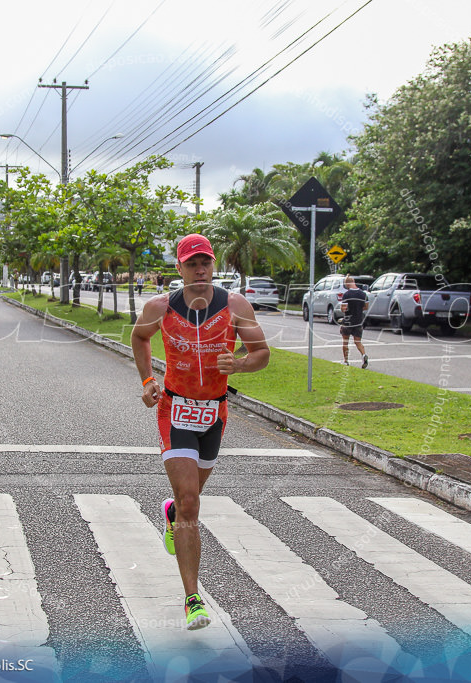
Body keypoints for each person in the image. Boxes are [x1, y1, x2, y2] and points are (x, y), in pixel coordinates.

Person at [131, 234, 269, 631]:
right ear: (179, 269)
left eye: (205, 261)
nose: (200, 269)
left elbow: (261, 353)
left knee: (189, 498)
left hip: (214, 413)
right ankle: (193, 598)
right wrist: (147, 380)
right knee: (191, 502)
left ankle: (172, 514)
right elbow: (139, 337)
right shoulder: (160, 307)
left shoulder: (235, 305)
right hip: (174, 410)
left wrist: (239, 366)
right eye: (191, 263)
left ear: (214, 264)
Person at [339, 275, 369, 368]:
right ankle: (363, 355)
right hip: (359, 321)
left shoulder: (347, 295)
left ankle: (346, 360)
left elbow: (343, 309)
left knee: (345, 342)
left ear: (347, 284)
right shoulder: (363, 294)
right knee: (358, 341)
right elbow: (366, 307)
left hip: (348, 321)